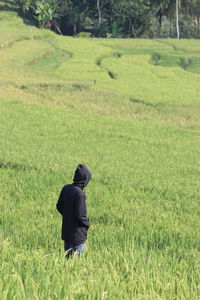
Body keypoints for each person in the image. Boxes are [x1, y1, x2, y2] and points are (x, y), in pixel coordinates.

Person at [56, 164, 91, 258]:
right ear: (85, 179)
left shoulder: (66, 188)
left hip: (67, 234)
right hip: (77, 236)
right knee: (76, 266)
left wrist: (68, 215)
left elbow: (59, 206)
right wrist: (88, 223)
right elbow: (81, 216)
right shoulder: (80, 194)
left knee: (67, 264)